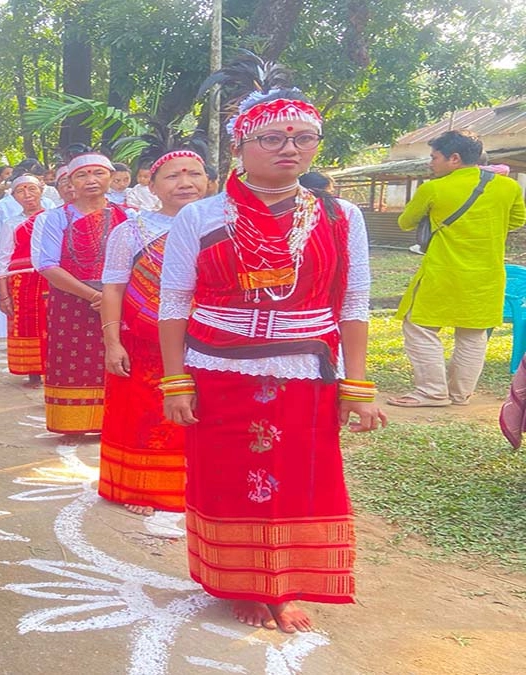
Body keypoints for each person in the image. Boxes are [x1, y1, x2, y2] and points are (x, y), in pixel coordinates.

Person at [158, 60, 386, 634]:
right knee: (227, 476)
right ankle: (241, 584)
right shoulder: (201, 217)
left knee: (298, 476)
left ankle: (283, 585)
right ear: (241, 145)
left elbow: (354, 303)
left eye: (303, 137)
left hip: (305, 370)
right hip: (218, 369)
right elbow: (173, 303)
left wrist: (358, 388)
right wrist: (175, 379)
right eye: (272, 138)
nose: (291, 148)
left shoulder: (340, 215)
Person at [99, 132, 210, 516]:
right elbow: (112, 288)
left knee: (205, 413)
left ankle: (199, 484)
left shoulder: (223, 226)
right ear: (152, 183)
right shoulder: (132, 230)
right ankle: (141, 487)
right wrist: (112, 342)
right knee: (144, 413)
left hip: (206, 340)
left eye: (194, 174)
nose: (185, 182)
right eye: (173, 175)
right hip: (143, 342)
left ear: (208, 181)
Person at [389, 130, 526, 407]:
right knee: (473, 334)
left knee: (418, 327)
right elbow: (517, 220)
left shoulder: (434, 188)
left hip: (443, 273)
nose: (431, 163)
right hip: (487, 276)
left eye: (434, 157)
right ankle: (459, 394)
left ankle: (431, 391)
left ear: (454, 158)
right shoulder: (508, 187)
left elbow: (405, 222)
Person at [31, 152, 127, 434]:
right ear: (70, 181)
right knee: (72, 361)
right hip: (71, 300)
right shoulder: (55, 218)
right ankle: (72, 425)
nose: (91, 180)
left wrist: (111, 297)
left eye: (99, 173)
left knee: (115, 359)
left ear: (111, 176)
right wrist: (94, 296)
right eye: (82, 175)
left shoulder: (129, 216)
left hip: (120, 299)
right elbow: (47, 265)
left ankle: (113, 421)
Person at [0, 175, 48, 385]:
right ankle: (32, 371)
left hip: (49, 277)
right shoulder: (11, 223)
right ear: (14, 196)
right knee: (26, 325)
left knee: (51, 324)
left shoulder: (52, 217)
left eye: (31, 189)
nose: (27, 195)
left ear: (40, 191)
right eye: (21, 191)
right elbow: (3, 258)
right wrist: (3, 294)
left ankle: (53, 369)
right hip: (21, 282)